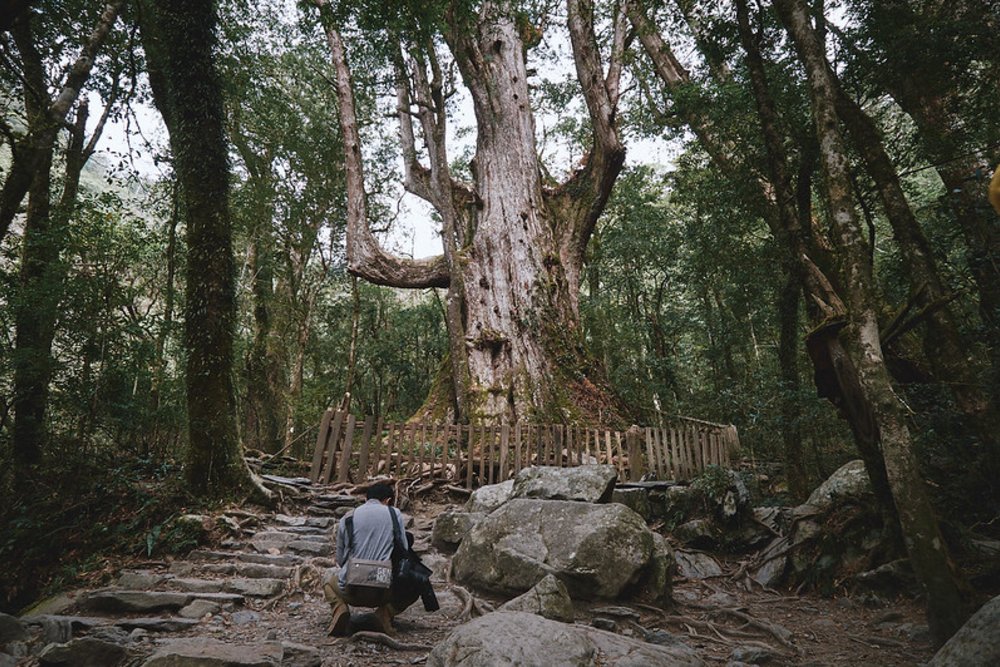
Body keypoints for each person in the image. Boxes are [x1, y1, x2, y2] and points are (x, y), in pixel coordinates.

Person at [323, 482, 429, 636]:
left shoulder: (348, 518)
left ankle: (340, 608)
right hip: (384, 589)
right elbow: (404, 549)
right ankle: (385, 613)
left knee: (328, 583)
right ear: (387, 500)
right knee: (417, 585)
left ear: (366, 498)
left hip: (352, 589)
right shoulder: (394, 514)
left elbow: (340, 559)